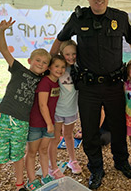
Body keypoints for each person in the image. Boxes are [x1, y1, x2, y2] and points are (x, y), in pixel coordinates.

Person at [50, 0, 131, 189]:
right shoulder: (78, 18)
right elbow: (60, 38)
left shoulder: (120, 18)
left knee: (118, 127)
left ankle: (121, 162)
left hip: (114, 85)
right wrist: (49, 65)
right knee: (90, 130)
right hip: (88, 86)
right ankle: (96, 168)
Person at [0, 18, 51, 191]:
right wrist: (1, 32)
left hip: (22, 123)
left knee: (18, 156)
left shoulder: (43, 81)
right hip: (3, 118)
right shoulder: (18, 69)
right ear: (30, 60)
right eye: (38, 60)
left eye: (45, 63)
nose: (41, 64)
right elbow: (3, 50)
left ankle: (20, 185)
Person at [25, 55, 66, 190]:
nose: (60, 69)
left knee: (43, 150)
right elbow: (42, 105)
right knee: (32, 152)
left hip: (49, 123)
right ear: (49, 67)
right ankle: (31, 180)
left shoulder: (56, 83)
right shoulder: (45, 82)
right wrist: (49, 123)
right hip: (37, 123)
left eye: (63, 67)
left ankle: (45, 175)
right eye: (56, 66)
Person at [48, 40, 82, 179]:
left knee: (68, 136)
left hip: (71, 111)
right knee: (55, 139)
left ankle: (72, 160)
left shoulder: (77, 69)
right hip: (57, 112)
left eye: (74, 53)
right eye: (67, 54)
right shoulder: (59, 69)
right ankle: (52, 166)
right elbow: (51, 56)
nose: (71, 57)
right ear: (62, 54)